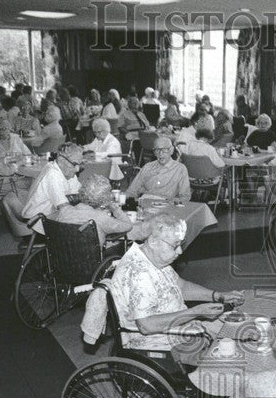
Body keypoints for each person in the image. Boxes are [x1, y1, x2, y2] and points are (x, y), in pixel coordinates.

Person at [107, 213, 244, 353]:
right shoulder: (139, 273)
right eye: (175, 246)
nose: (179, 251)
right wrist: (194, 312)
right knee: (237, 339)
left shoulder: (152, 257)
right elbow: (146, 326)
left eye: (180, 245)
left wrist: (218, 296)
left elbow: (181, 287)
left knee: (236, 329)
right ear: (153, 241)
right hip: (159, 338)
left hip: (177, 325)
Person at [52, 173, 133, 248]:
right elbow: (128, 225)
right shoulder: (101, 217)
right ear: (103, 199)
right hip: (93, 261)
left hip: (62, 258)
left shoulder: (64, 211)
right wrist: (115, 209)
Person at [19, 141, 84, 227]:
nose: (77, 169)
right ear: (61, 159)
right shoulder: (53, 175)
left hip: (48, 215)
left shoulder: (66, 170)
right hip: (35, 222)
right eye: (75, 164)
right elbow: (64, 208)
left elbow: (80, 193)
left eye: (80, 164)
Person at [126, 134, 191, 202]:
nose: (160, 153)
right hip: (145, 203)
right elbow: (131, 191)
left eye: (164, 149)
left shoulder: (180, 169)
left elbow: (185, 197)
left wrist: (169, 202)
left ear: (171, 150)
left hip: (166, 205)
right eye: (157, 150)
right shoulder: (148, 167)